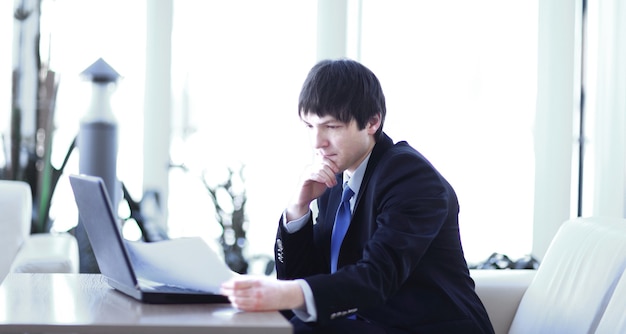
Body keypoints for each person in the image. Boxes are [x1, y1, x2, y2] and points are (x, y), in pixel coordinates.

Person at [220, 59, 494, 334]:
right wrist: (298, 208)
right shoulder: (335, 181)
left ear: (372, 121)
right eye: (309, 126)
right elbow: (306, 280)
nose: (317, 142)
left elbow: (378, 277)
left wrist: (285, 294)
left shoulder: (410, 177)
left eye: (332, 127)